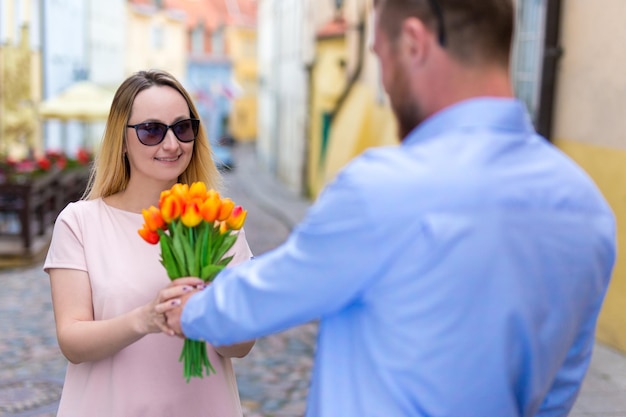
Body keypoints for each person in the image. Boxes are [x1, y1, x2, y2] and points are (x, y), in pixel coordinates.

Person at [163, 1, 617, 416]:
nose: (383, 79)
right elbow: (559, 387)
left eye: (381, 56)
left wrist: (190, 310)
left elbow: (268, 294)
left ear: (415, 43)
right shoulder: (586, 207)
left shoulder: (384, 188)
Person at [43, 69, 255, 417]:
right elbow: (72, 341)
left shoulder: (219, 222)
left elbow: (241, 346)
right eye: (152, 130)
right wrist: (145, 319)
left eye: (182, 128)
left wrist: (210, 315)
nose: (171, 144)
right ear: (122, 140)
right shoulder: (80, 223)